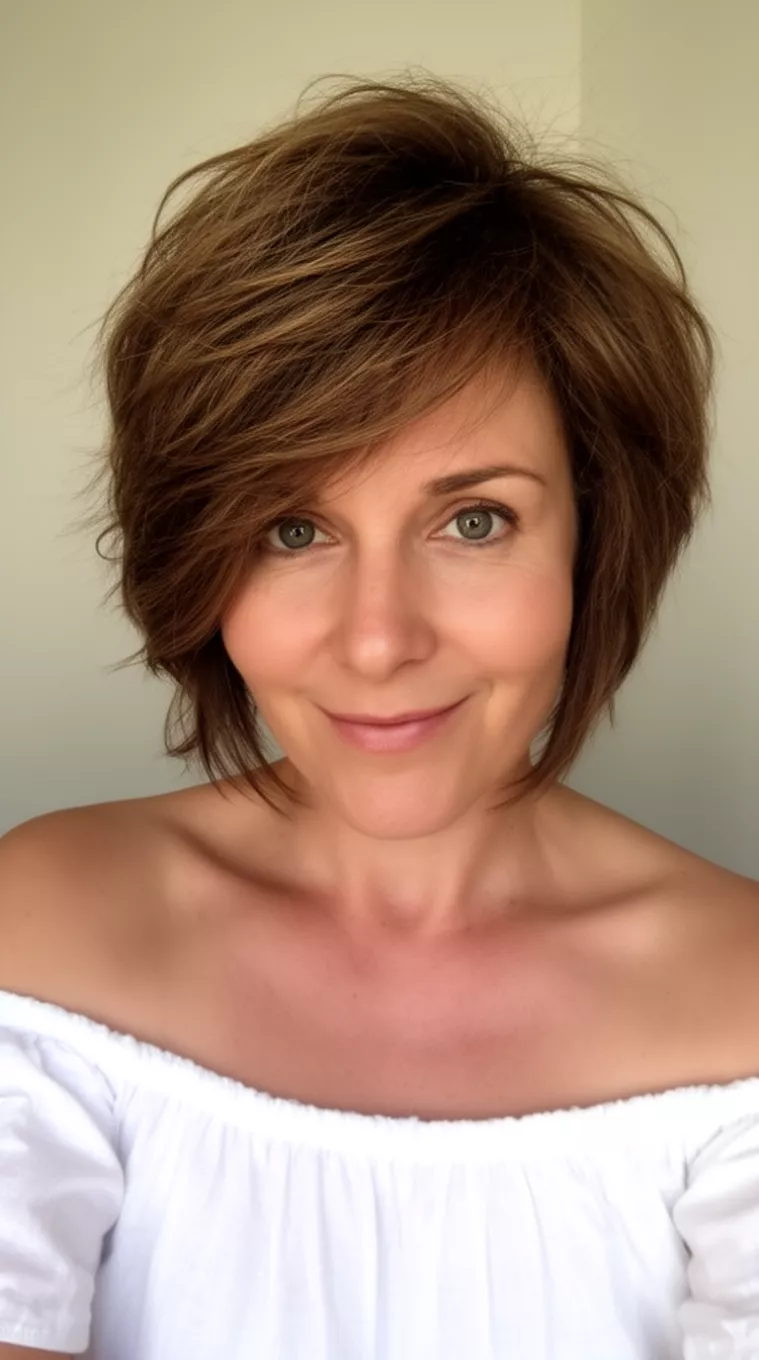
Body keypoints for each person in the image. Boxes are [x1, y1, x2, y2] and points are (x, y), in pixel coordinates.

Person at [0, 69, 757, 1360]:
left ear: (593, 532)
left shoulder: (738, 997)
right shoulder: (46, 925)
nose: (376, 635)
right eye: (293, 527)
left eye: (473, 520)